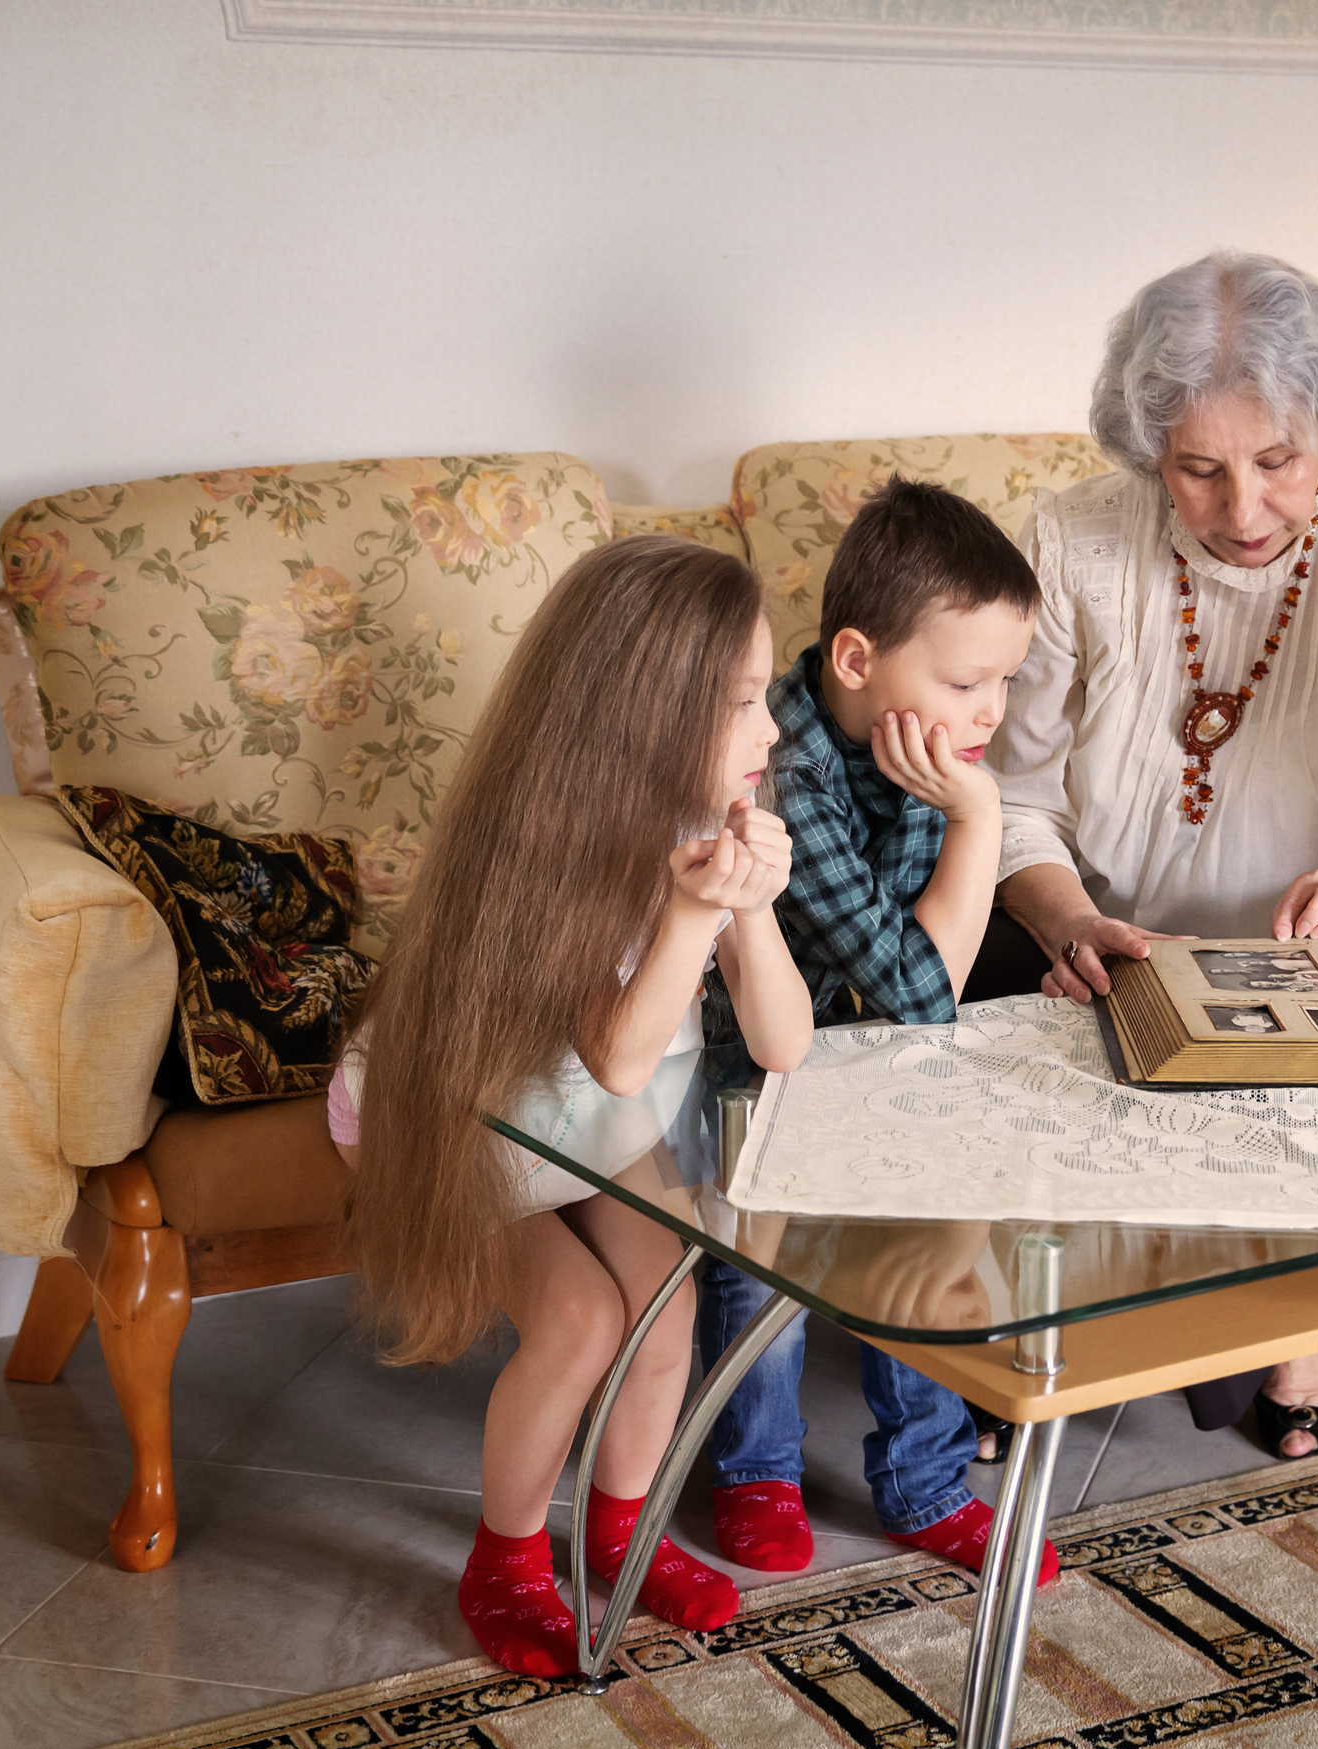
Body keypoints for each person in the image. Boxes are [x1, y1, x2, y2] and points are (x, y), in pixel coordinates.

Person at [981, 251, 1318, 1459]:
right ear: (1148, 453)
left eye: (1276, 463)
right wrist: (1068, 920)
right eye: (1198, 469)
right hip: (1076, 939)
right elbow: (1008, 799)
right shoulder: (1070, 548)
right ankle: (1230, 1315)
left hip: (1284, 977)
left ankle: (1232, 1312)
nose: (1242, 511)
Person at [332, 536, 814, 1678]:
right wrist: (697, 914)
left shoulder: (710, 831)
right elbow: (615, 1056)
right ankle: (502, 1561)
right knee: (582, 1320)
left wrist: (753, 907)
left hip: (591, 1136)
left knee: (661, 1301)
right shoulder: (551, 845)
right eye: (744, 703)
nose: (773, 731)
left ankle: (620, 1533)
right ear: (650, 716)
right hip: (460, 1124)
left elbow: (782, 1041)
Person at [695, 478, 1060, 1588]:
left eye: (1005, 677)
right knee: (756, 1261)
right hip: (754, 1056)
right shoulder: (784, 774)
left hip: (882, 1050)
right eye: (966, 680)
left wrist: (963, 809)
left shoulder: (919, 753)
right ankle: (755, 1470)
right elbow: (915, 986)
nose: (991, 710)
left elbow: (922, 1000)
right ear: (857, 661)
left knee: (935, 1223)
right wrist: (981, 821)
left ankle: (929, 1480)